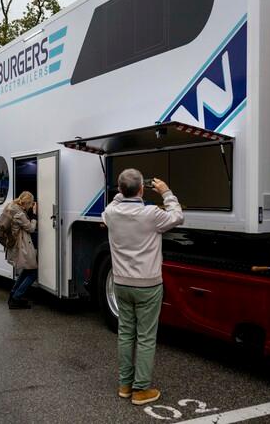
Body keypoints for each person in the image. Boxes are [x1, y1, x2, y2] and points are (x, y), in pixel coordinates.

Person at [102, 169, 183, 406]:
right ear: (141, 190)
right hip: (148, 285)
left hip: (121, 283)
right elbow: (177, 216)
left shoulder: (111, 213)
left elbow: (116, 201)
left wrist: (124, 191)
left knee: (126, 334)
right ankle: (141, 389)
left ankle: (125, 385)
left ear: (119, 190)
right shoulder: (151, 214)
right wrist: (166, 192)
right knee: (146, 337)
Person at [3, 191, 37, 310]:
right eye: (30, 204)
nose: (31, 206)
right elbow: (31, 228)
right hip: (22, 246)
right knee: (33, 272)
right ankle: (16, 298)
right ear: (27, 203)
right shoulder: (19, 214)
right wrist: (34, 215)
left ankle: (13, 295)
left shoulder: (11, 207)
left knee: (27, 270)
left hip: (16, 245)